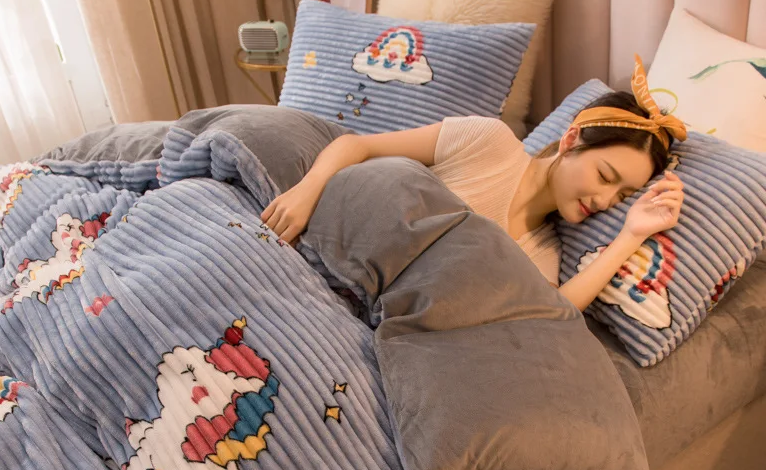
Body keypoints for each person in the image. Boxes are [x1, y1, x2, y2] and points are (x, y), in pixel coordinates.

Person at [261, 55, 687, 312]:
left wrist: (632, 235)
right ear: (572, 139)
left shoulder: (543, 252)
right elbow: (359, 146)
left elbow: (556, 313)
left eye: (622, 195)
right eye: (606, 176)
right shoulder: (489, 142)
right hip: (316, 258)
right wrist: (307, 191)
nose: (606, 200)